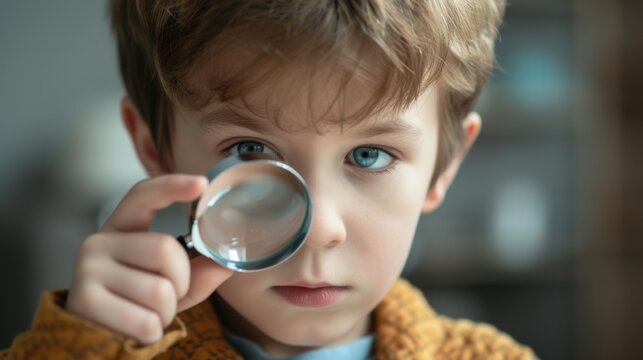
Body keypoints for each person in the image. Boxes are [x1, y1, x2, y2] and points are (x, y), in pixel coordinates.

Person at [2, 0, 537, 358]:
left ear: (444, 164)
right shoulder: (92, 347)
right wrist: (82, 348)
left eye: (370, 155)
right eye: (250, 151)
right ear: (153, 148)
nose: (317, 228)